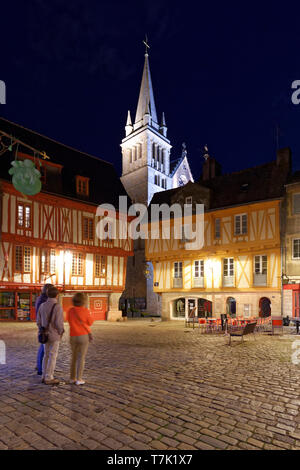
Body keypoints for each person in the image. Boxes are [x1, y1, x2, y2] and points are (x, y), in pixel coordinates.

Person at [38, 286, 64, 385]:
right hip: (54, 335)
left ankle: (44, 375)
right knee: (53, 355)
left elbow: (38, 321)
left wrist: (42, 329)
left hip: (44, 334)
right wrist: (61, 331)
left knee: (46, 355)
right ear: (57, 295)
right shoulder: (57, 306)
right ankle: (49, 377)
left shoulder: (42, 306)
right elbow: (58, 323)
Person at [66, 293, 94, 385]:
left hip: (73, 335)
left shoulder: (70, 311)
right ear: (83, 301)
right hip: (83, 336)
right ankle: (79, 379)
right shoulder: (85, 310)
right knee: (81, 358)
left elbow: (68, 320)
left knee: (73, 357)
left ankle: (72, 378)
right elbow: (90, 323)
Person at [35, 283, 53, 375]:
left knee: (42, 346)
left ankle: (39, 365)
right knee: (43, 347)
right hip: (44, 326)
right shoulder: (44, 301)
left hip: (41, 325)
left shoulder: (40, 299)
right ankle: (40, 368)